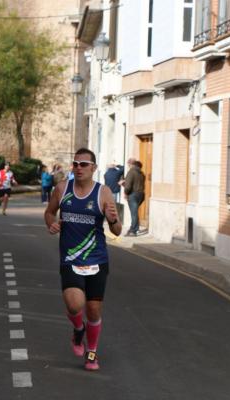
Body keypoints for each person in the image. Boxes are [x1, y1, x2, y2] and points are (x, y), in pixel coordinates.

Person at [44, 148, 122, 371]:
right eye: (75, 164)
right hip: (70, 258)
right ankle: (79, 330)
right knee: (74, 303)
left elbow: (117, 231)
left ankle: (92, 352)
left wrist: (113, 219)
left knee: (94, 311)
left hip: (97, 259)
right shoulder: (62, 189)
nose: (78, 168)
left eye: (84, 164)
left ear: (94, 168)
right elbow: (49, 213)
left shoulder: (104, 193)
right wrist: (51, 223)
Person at [122, 158, 146, 237]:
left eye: (128, 164)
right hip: (141, 194)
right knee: (135, 212)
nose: (128, 165)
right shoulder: (142, 173)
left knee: (134, 213)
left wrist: (125, 192)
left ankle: (133, 230)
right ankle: (136, 228)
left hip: (133, 194)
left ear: (131, 164)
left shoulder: (131, 172)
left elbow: (128, 186)